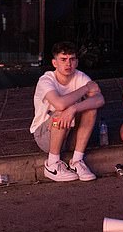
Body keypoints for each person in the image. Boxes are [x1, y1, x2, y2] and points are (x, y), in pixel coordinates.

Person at [30, 41, 105, 182]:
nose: (68, 64)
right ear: (54, 63)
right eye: (63, 60)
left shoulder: (80, 76)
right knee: (61, 112)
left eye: (72, 59)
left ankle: (77, 161)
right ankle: (52, 164)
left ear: (76, 62)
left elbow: (100, 99)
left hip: (70, 137)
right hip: (45, 136)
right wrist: (85, 89)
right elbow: (59, 104)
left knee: (90, 108)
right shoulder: (45, 80)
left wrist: (74, 108)